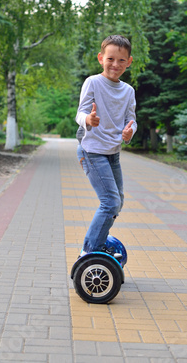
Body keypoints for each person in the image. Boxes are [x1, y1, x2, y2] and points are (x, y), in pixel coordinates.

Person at [75, 35, 137, 257]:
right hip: (92, 151)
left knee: (117, 203)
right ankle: (89, 251)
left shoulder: (128, 91)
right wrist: (88, 120)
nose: (115, 65)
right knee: (110, 202)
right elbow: (80, 113)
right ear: (101, 58)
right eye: (110, 58)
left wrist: (130, 132)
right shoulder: (93, 82)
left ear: (129, 62)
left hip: (113, 153)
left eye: (121, 60)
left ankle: (98, 243)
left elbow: (132, 120)